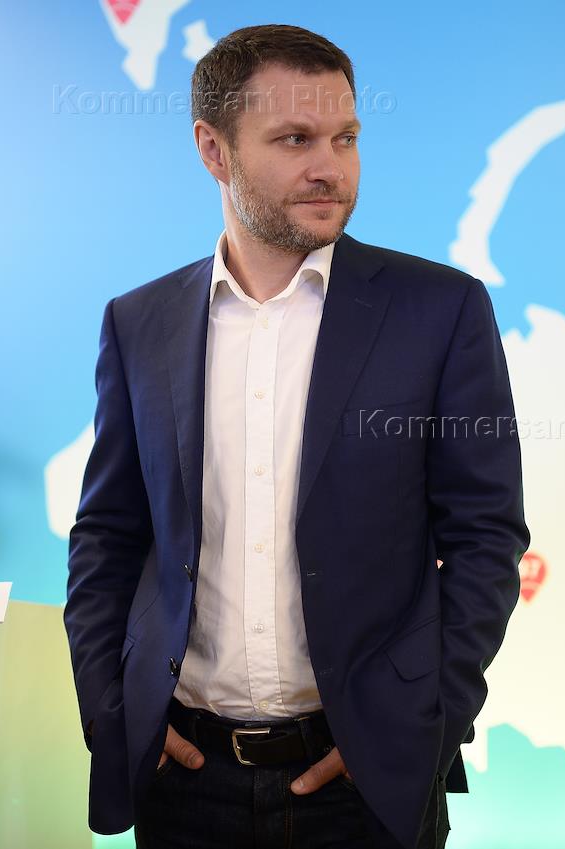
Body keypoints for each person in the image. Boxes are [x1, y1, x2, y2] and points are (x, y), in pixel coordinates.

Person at [63, 23, 531, 849]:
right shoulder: (139, 323)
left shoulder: (441, 310)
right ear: (214, 150)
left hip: (366, 784)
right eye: (295, 139)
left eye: (346, 137)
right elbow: (108, 534)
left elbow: (485, 538)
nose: (331, 168)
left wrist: (420, 721)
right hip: (184, 783)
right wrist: (111, 709)